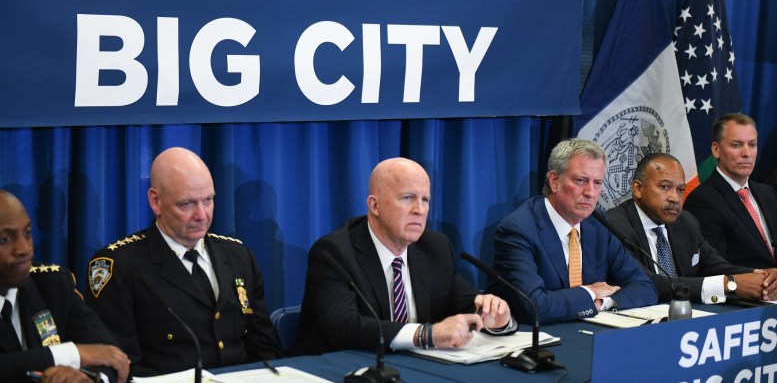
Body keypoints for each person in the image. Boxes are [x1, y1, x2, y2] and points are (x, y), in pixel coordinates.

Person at [86, 147, 280, 376]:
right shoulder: (119, 267)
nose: (202, 215)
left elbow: (265, 349)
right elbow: (119, 365)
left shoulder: (238, 257)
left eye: (208, 200)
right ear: (155, 201)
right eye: (186, 204)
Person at [293, 157, 517, 355]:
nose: (419, 210)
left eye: (425, 200)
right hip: (342, 369)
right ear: (375, 205)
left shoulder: (434, 248)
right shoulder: (334, 253)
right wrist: (427, 334)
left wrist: (496, 317)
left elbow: (468, 303)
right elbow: (345, 327)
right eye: (408, 198)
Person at [489, 139, 657, 324]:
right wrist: (590, 292)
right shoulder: (518, 230)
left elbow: (645, 287)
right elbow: (534, 306)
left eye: (598, 182)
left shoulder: (598, 224)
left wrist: (601, 303)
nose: (591, 192)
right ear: (554, 181)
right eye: (581, 180)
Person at [607, 153, 777, 304]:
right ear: (638, 188)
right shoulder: (615, 226)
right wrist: (728, 285)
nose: (675, 198)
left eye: (680, 190)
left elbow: (713, 264)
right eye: (664, 187)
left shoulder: (685, 221)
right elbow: (649, 283)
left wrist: (759, 276)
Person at [0, 190, 129, 383]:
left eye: (27, 233)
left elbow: (110, 354)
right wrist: (71, 354)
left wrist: (87, 377)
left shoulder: (53, 285)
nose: (24, 249)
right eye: (5, 239)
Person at [684, 114, 777, 283]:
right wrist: (768, 280)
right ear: (716, 150)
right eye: (736, 145)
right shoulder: (702, 201)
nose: (746, 153)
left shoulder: (767, 194)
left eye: (752, 145)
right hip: (745, 296)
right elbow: (714, 266)